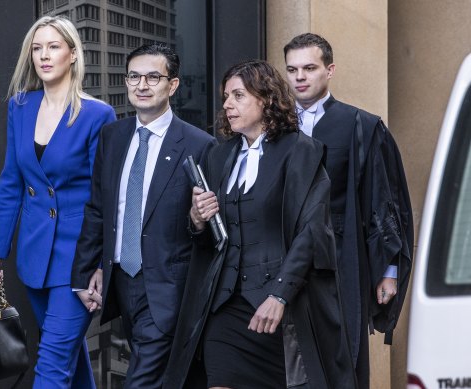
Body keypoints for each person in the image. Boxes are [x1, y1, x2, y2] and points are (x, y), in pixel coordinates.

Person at [163, 59, 357, 389]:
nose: (227, 105)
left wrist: (279, 296)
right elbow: (209, 238)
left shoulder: (301, 152)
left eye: (238, 95)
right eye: (226, 96)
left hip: (283, 308)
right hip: (225, 306)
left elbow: (312, 233)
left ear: (265, 98)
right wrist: (197, 218)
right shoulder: (219, 155)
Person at [0, 15, 116, 388]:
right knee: (66, 354)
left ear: (73, 54)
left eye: (53, 46)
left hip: (78, 261)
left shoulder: (98, 115)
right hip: (34, 253)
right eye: (37, 48)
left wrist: (100, 264)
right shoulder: (20, 106)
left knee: (52, 364)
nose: (44, 55)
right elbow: (12, 183)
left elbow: (103, 197)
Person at [70, 44, 216, 388]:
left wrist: (198, 220)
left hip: (168, 284)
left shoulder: (199, 144)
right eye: (134, 76)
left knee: (142, 379)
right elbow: (97, 208)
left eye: (153, 76)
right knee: (155, 374)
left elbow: (208, 227)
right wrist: (86, 270)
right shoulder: (113, 136)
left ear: (173, 85)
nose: (142, 84)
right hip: (122, 278)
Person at [283, 33, 414, 388]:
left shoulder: (362, 126)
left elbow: (382, 201)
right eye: (292, 69)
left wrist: (387, 270)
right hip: (283, 259)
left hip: (342, 261)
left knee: (341, 359)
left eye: (309, 68)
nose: (300, 77)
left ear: (330, 70)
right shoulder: (276, 128)